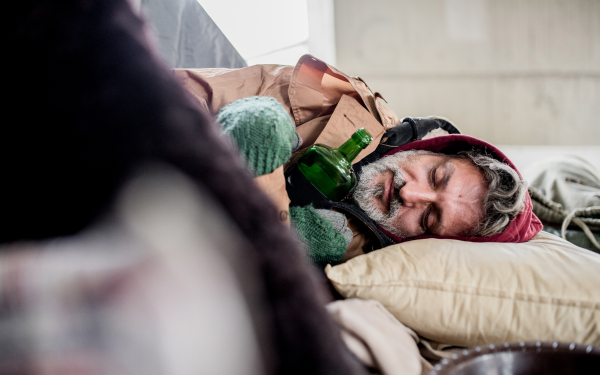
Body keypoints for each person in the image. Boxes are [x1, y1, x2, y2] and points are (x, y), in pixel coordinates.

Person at [211, 94, 542, 267]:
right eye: (435, 175)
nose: (409, 192)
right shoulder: (346, 103)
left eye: (428, 217)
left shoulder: (352, 256)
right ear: (437, 149)